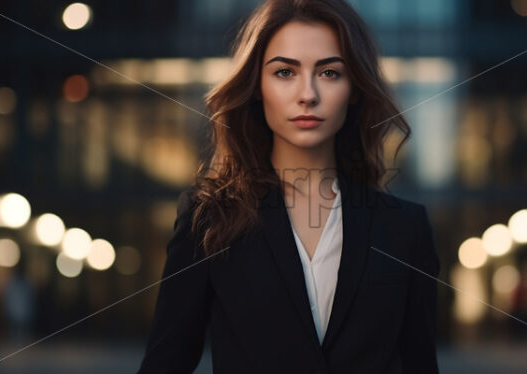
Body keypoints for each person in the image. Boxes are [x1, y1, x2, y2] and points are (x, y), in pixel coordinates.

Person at [137, 0, 440, 373]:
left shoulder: (406, 229)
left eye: (329, 73)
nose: (307, 94)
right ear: (257, 87)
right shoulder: (209, 219)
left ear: (355, 89)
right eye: (285, 72)